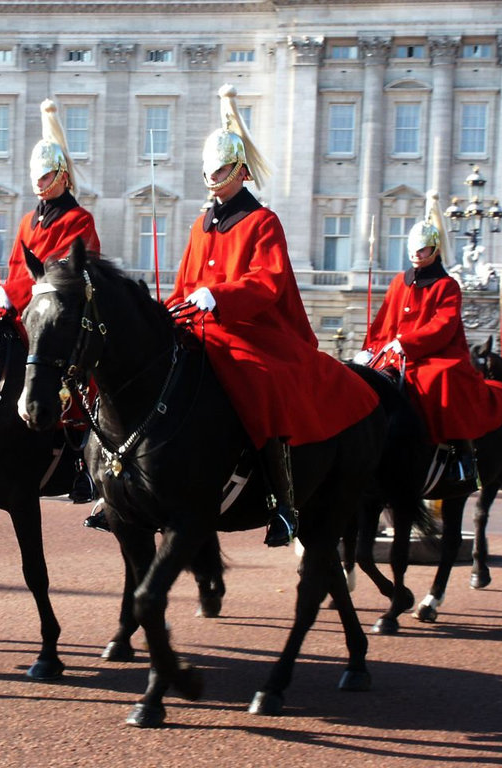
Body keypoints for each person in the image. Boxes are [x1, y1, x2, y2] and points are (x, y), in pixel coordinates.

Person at [165, 84, 380, 547]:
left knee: (259, 381)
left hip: (251, 330)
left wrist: (217, 297)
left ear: (240, 171)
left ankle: (282, 503)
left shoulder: (263, 221)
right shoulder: (200, 225)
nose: (213, 177)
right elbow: (184, 285)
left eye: (222, 169)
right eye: (210, 170)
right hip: (199, 327)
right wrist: (170, 312)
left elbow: (268, 281)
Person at [357, 191, 502, 488]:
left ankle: (459, 451)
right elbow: (383, 321)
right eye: (414, 251)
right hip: (393, 353)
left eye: (423, 251)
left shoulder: (447, 285)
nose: (417, 256)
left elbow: (442, 325)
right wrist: (370, 348)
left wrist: (408, 343)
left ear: (435, 250)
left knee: (439, 379)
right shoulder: (398, 282)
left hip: (436, 353)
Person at [0, 99, 100, 316]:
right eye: (36, 176)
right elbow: (16, 267)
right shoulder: (27, 220)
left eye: (45, 177)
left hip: (53, 311)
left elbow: (62, 272)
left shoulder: (79, 219)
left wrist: (14, 293)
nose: (38, 182)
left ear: (63, 177)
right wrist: (4, 292)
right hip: (18, 306)